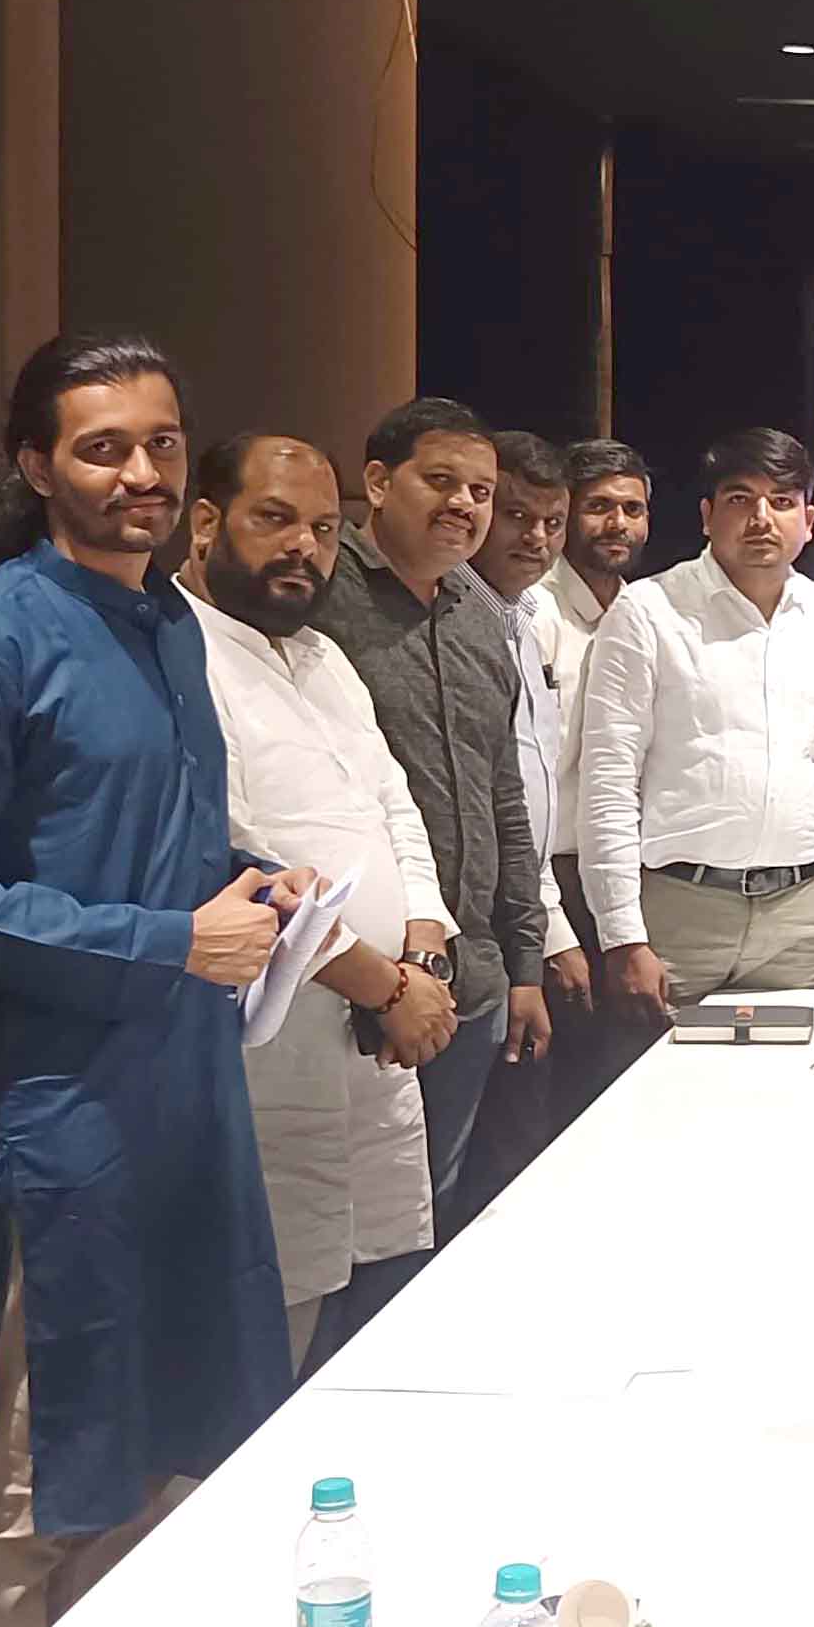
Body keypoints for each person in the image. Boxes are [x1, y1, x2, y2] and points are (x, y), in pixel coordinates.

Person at [0, 335, 304, 1627]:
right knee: (30, 1490)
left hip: (184, 1098)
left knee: (153, 1464)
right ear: (35, 463)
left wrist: (250, 877)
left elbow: (148, 837)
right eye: (103, 445)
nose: (142, 469)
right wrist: (173, 940)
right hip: (56, 1120)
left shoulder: (168, 620)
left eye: (162, 441)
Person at [179, 433, 454, 1369]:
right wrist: (387, 986)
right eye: (275, 518)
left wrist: (422, 948)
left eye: (325, 529)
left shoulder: (325, 656)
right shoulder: (178, 655)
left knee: (368, 1292)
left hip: (378, 1034)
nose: (304, 545)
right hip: (274, 1042)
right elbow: (234, 855)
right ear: (206, 521)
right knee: (269, 1310)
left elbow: (393, 803)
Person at [310, 397, 550, 1252]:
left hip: (469, 978)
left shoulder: (482, 618)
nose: (464, 504)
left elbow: (504, 799)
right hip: (346, 980)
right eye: (441, 481)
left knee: (431, 1225)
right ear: (378, 481)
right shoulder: (319, 599)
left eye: (480, 491)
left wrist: (524, 963)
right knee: (335, 1236)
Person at [579, 427, 814, 1014]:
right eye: (740, 499)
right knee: (657, 1074)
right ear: (707, 516)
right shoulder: (648, 610)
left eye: (782, 501)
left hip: (801, 916)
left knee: (796, 1074)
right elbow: (607, 781)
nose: (762, 518)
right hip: (679, 912)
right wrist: (622, 934)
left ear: (808, 520)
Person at [458, 431, 594, 1193]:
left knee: (521, 1145)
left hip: (522, 917)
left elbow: (529, 796)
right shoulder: (449, 617)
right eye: (516, 516)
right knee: (480, 1163)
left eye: (552, 521)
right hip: (468, 929)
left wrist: (549, 930)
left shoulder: (528, 614)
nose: (537, 538)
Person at [540, 441, 652, 1105]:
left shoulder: (649, 614)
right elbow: (520, 780)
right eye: (600, 507)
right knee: (560, 1088)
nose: (618, 524)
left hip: (628, 872)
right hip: (554, 879)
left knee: (628, 1084)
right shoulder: (536, 614)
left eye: (632, 509)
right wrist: (552, 925)